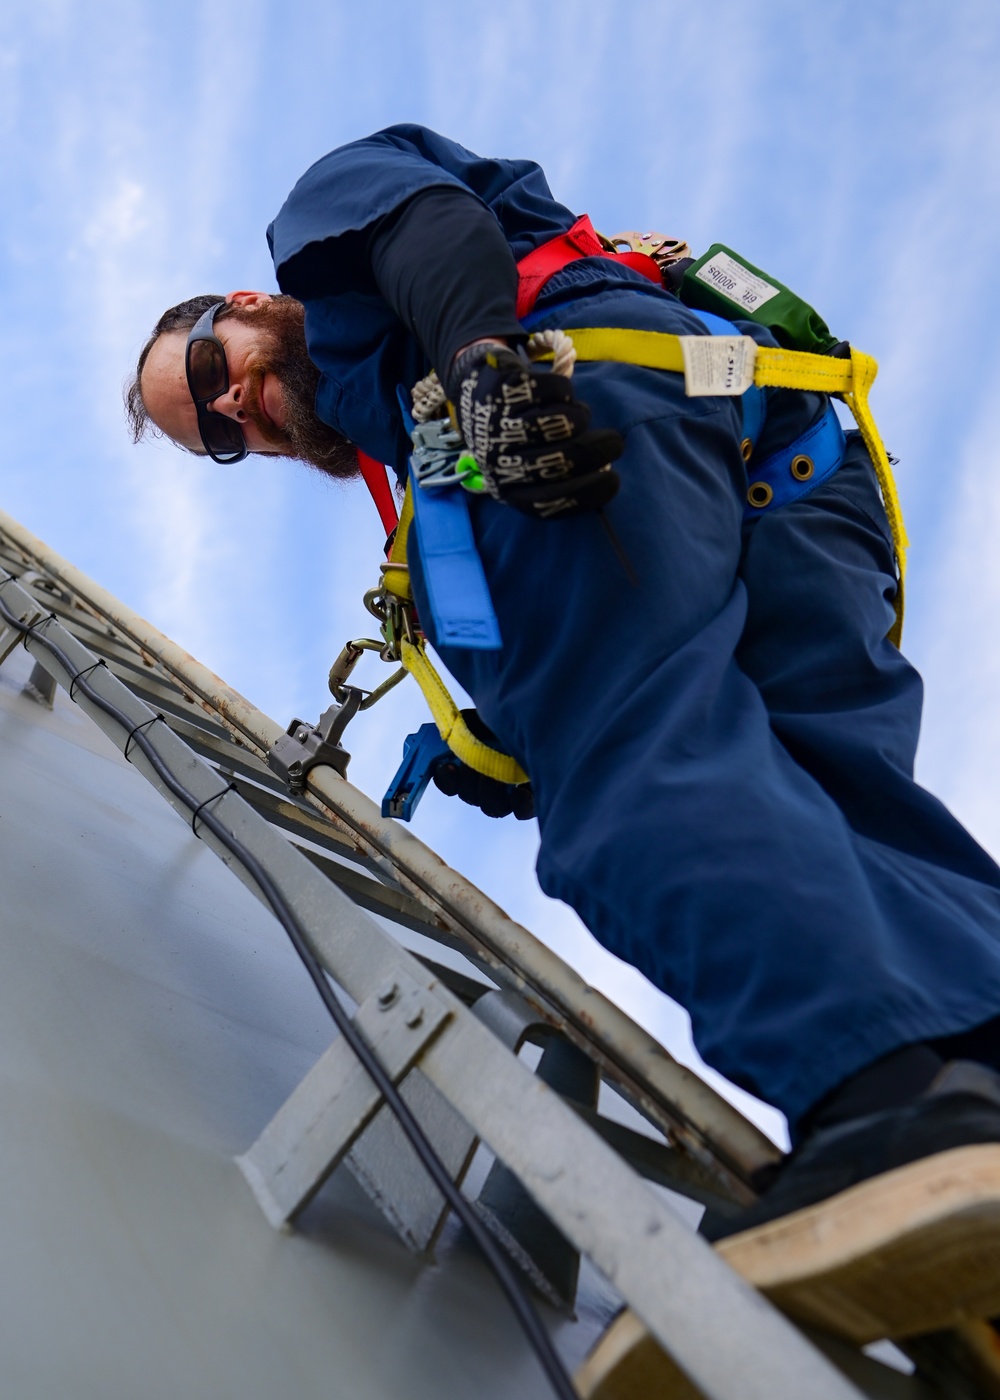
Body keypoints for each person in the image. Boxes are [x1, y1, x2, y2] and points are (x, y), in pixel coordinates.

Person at [126, 124, 1000, 1239]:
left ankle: (881, 1104)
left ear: (249, 301)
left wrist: (486, 364)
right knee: (836, 789)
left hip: (594, 400)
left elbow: (428, 226)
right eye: (216, 437)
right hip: (787, 466)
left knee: (623, 762)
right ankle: (976, 1079)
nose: (233, 407)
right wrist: (496, 742)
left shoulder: (339, 222)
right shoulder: (405, 434)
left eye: (210, 369)